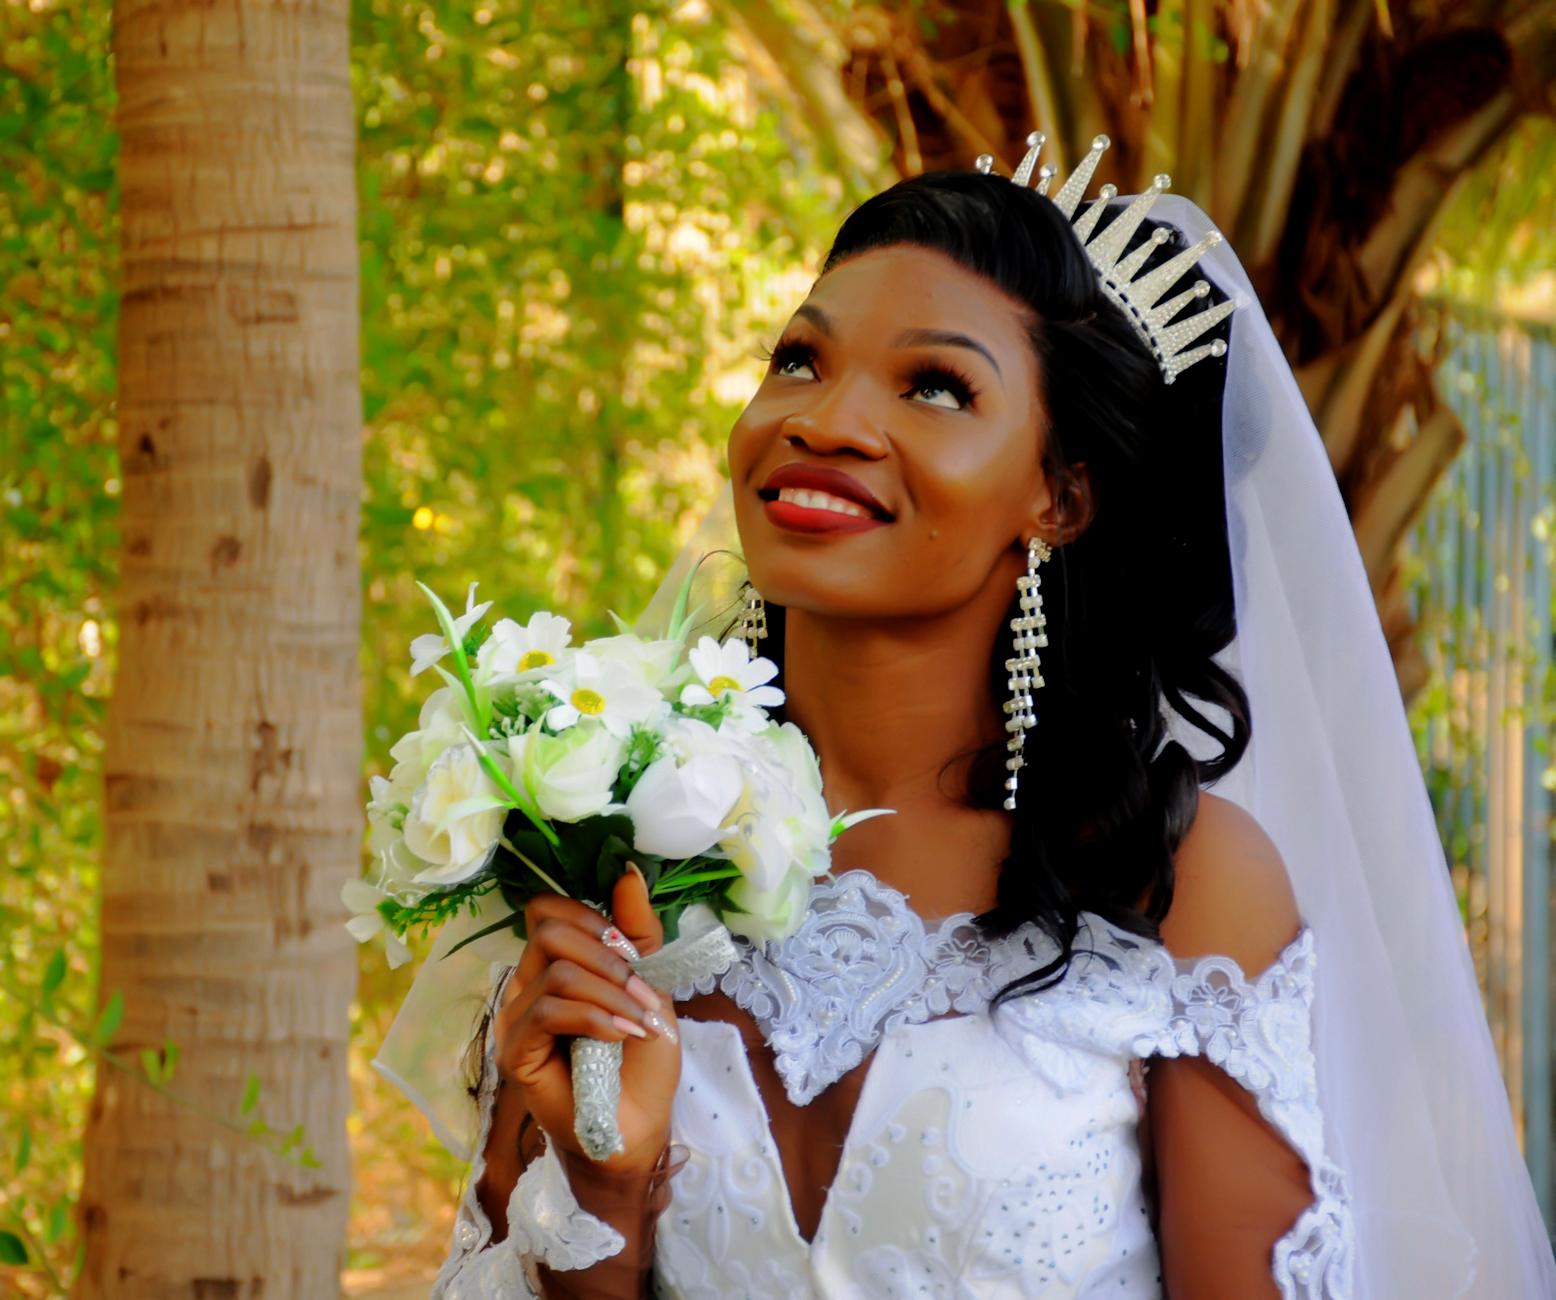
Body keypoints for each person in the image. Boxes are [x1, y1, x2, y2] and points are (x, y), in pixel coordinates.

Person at [406, 146, 1556, 1300]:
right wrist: (604, 1190)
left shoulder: (1179, 887)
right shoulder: (612, 851)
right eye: (798, 360)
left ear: (1058, 496)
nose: (826, 418)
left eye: (935, 387)